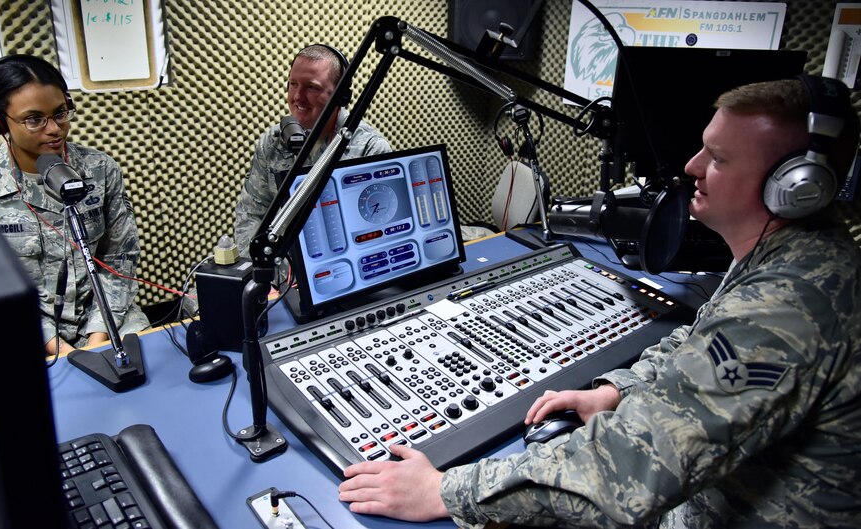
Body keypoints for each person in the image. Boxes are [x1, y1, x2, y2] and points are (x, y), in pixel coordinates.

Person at [338, 75, 861, 528]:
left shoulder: (788, 305)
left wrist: (445, 491)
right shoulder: (796, 258)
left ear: (795, 187)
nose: (692, 166)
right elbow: (700, 343)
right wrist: (617, 389)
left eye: (719, 158)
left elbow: (626, 473)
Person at [0, 54, 150, 356]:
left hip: (104, 317)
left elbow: (120, 257)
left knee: (148, 360)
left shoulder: (100, 169)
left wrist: (98, 336)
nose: (54, 128)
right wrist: (61, 349)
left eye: (60, 113)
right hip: (22, 326)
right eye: (34, 119)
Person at [233, 44, 392, 257]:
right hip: (280, 268)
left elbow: (377, 232)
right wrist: (260, 267)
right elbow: (252, 213)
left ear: (341, 96)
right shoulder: (272, 143)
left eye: (312, 87)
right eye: (293, 84)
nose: (297, 97)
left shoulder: (370, 148)